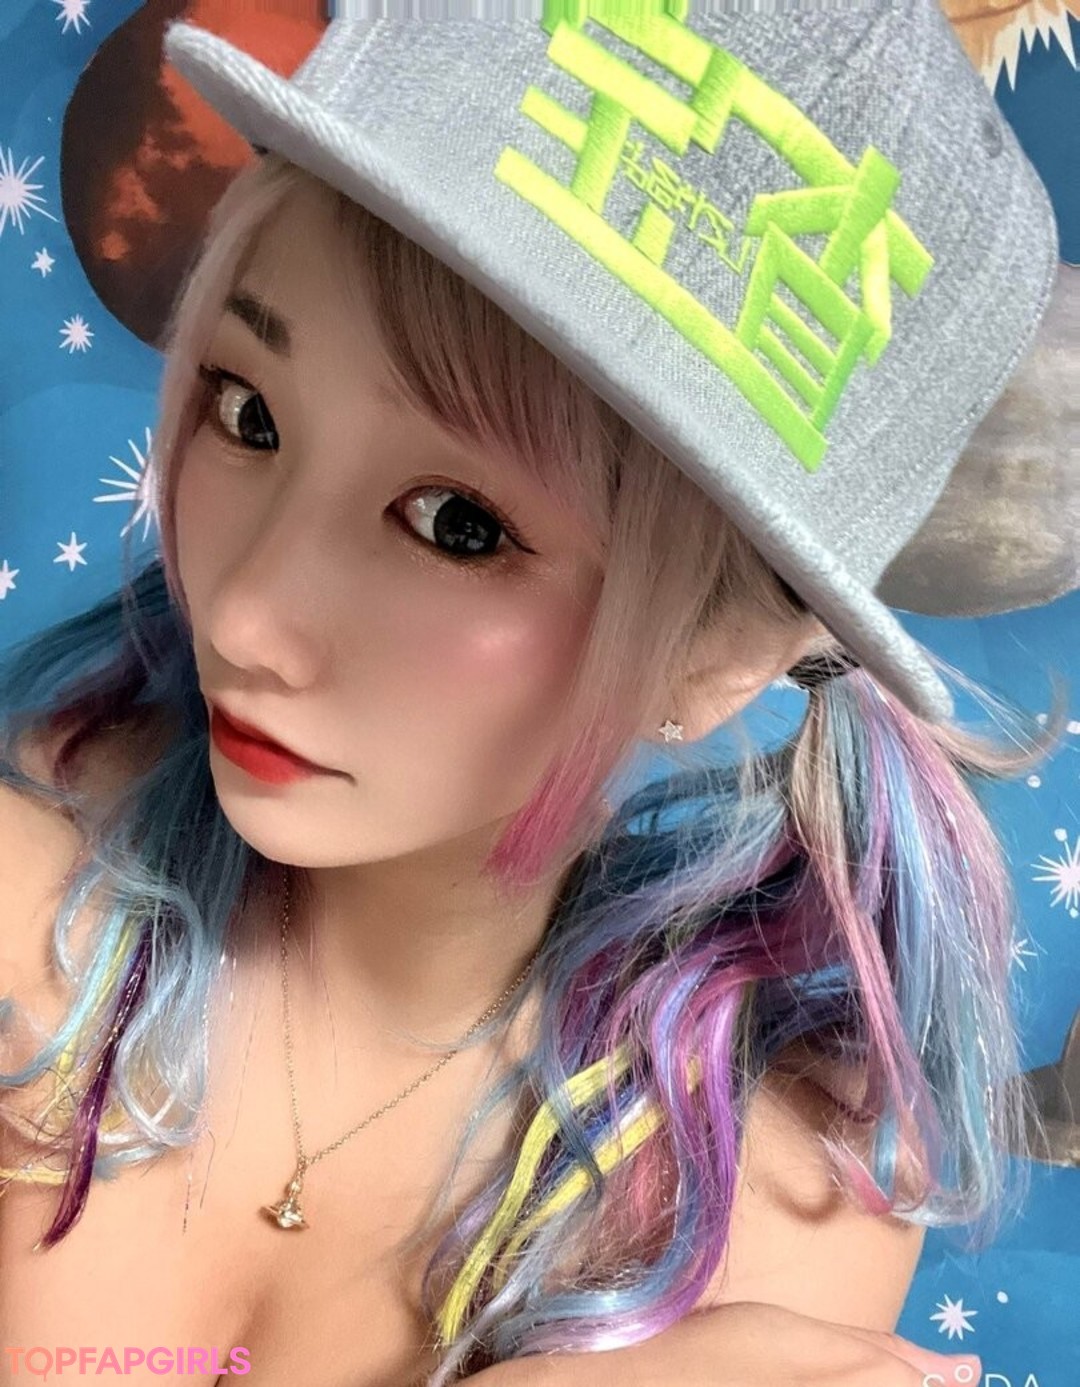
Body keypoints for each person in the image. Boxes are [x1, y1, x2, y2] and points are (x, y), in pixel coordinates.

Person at [0, 6, 1076, 1385]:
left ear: (716, 657)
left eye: (457, 525)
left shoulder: (770, 1221)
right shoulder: (26, 918)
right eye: (248, 412)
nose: (250, 611)